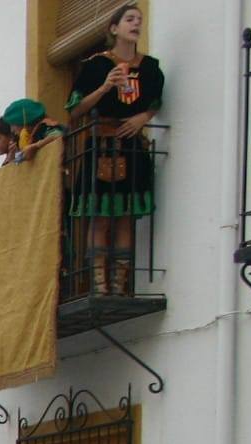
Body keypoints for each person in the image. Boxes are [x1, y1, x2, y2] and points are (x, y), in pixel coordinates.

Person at [67, 4, 162, 297]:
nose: (136, 24)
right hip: (101, 144)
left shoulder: (150, 67)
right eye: (129, 20)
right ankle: (99, 285)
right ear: (114, 28)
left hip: (131, 144)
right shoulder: (96, 66)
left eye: (139, 20)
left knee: (125, 216)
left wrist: (142, 118)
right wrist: (105, 87)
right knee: (100, 216)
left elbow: (155, 102)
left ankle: (119, 285)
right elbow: (74, 109)